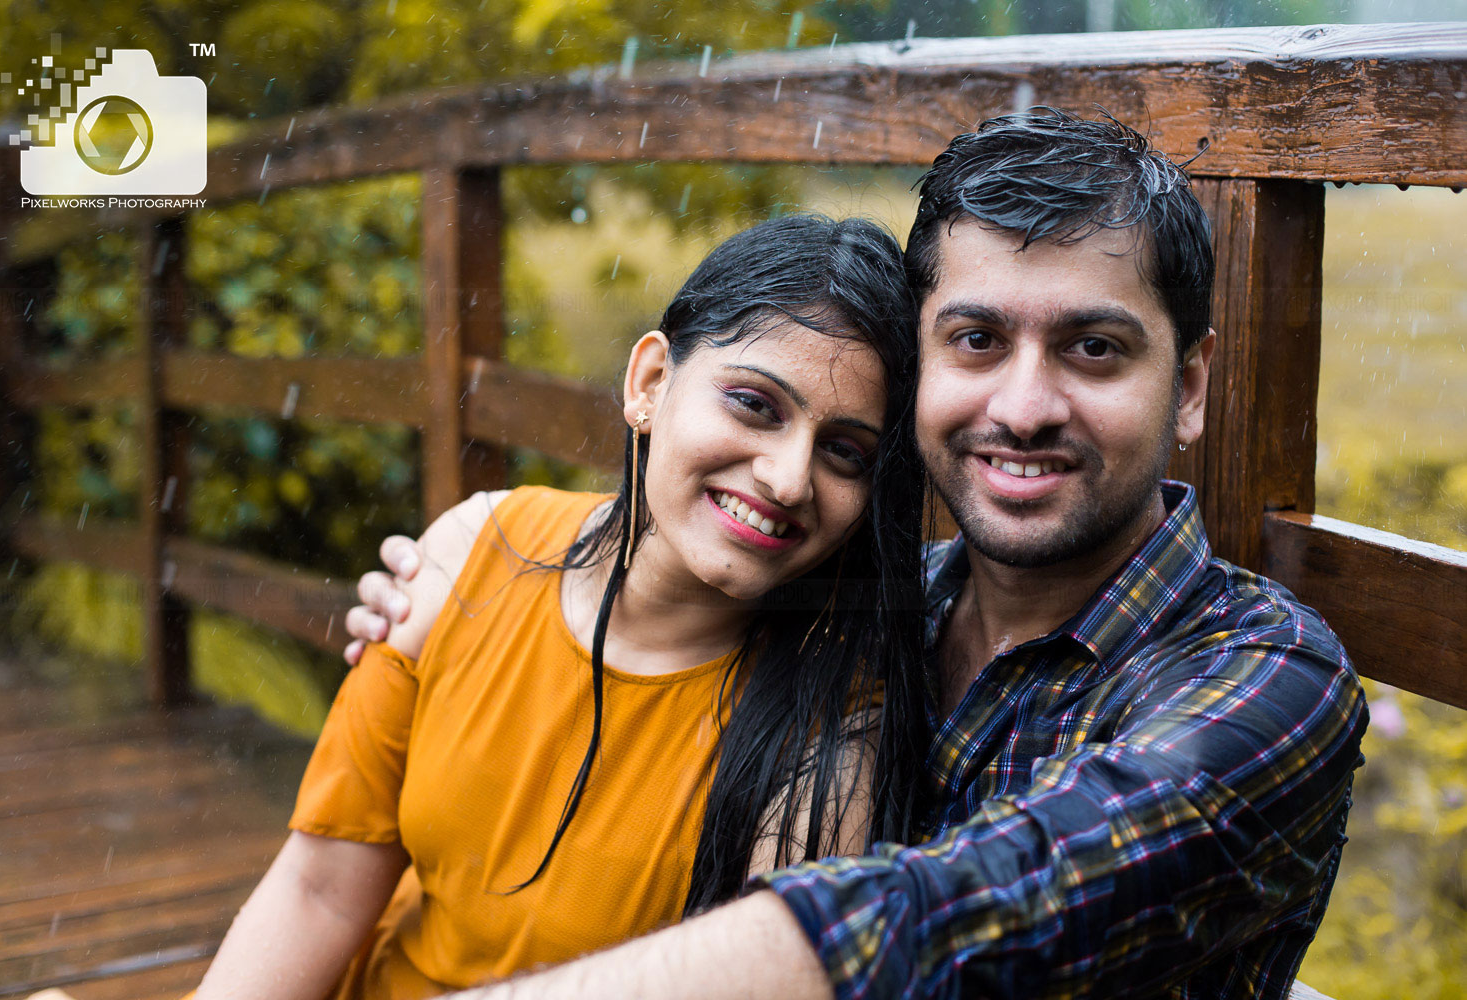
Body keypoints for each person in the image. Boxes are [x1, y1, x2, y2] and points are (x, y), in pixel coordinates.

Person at [349, 109, 1368, 1000]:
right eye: (975, 340)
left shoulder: (1266, 674)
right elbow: (668, 578)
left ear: (1189, 386)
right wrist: (471, 564)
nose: (1021, 407)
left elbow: (969, 911)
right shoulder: (861, 607)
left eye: (1092, 347)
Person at [193, 214, 936, 999]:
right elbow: (321, 888)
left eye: (845, 451)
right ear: (649, 384)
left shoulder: (832, 735)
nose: (788, 479)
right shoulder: (474, 552)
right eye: (755, 405)